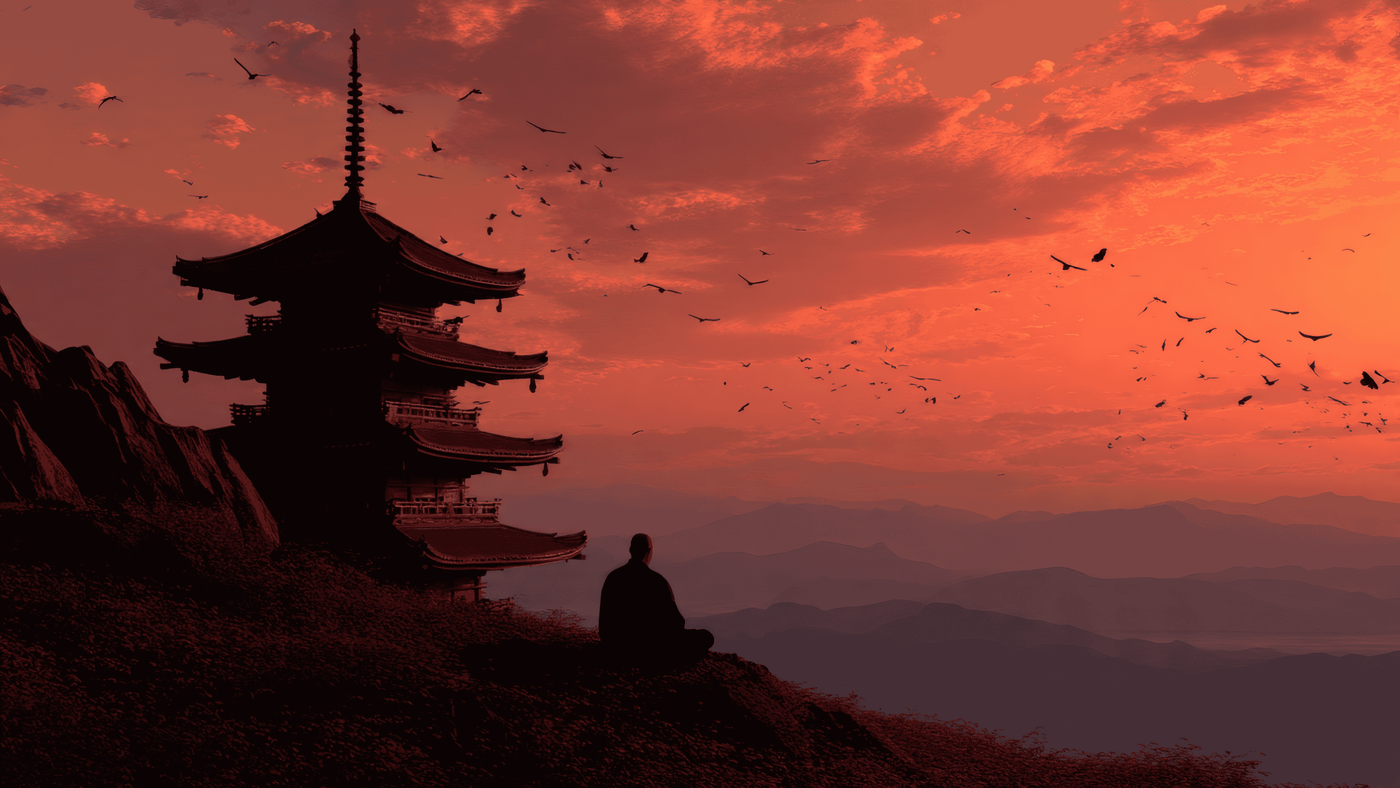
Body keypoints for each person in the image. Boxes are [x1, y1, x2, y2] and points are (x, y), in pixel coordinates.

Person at [599, 533, 713, 664]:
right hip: (651, 645)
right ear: (649, 551)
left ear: (630, 550)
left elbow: (605, 620)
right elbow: (676, 623)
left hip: (614, 644)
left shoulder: (613, 578)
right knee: (706, 637)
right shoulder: (656, 581)